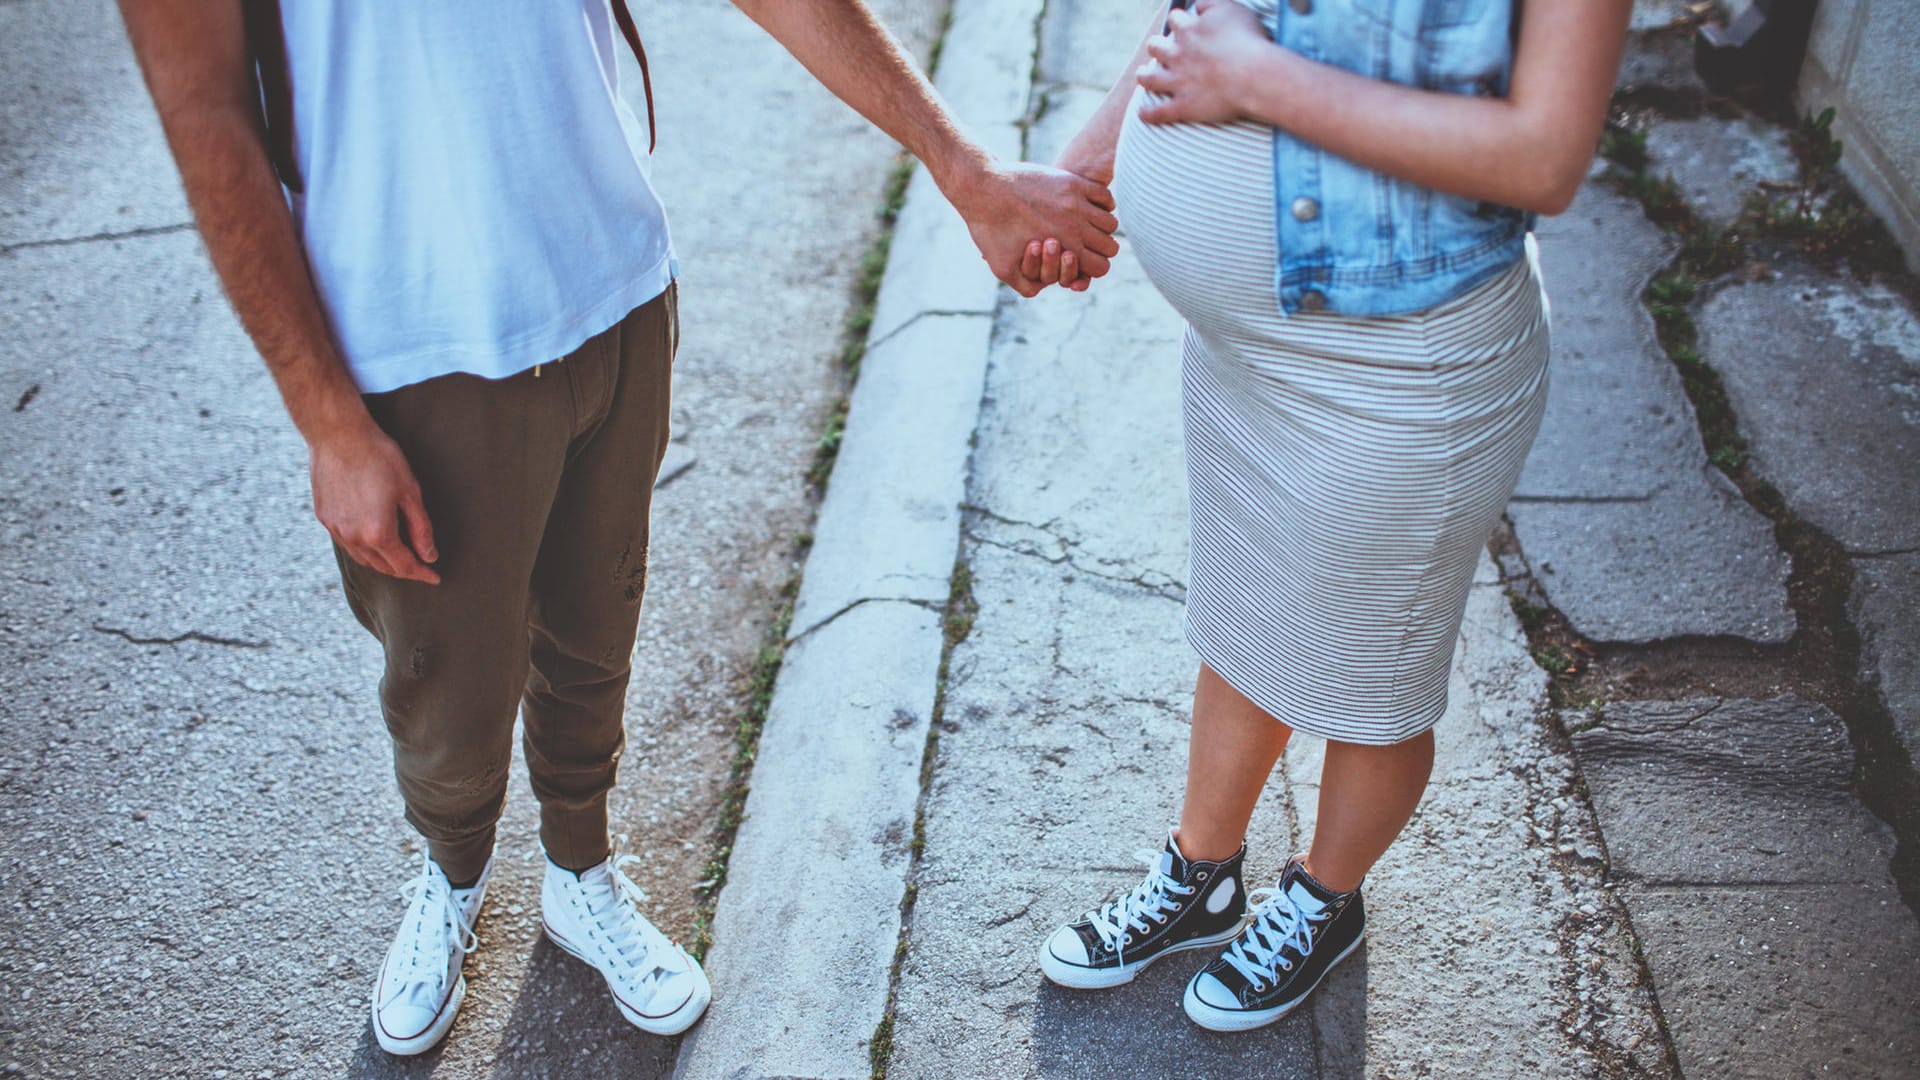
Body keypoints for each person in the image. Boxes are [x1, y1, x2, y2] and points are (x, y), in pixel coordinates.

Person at [118, 0, 1119, 1056]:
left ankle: (579, 871)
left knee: (597, 629)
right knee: (447, 694)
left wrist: (965, 171)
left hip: (615, 290)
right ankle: (452, 876)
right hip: (413, 345)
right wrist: (326, 419)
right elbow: (206, 116)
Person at [1026, 0, 1628, 1031]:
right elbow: (1204, 17)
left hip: (1395, 373)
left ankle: (1323, 899)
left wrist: (1260, 84)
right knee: (1243, 618)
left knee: (1372, 679)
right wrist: (1088, 167)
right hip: (1244, 355)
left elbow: (1543, 156)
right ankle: (1202, 877)